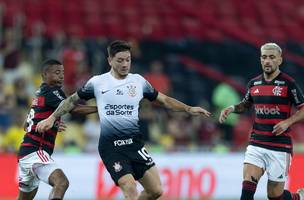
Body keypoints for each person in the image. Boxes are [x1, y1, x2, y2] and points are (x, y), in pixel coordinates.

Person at [36, 40, 211, 200]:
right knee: (130, 187)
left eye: (128, 59)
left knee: (156, 191)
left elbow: (164, 100)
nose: (125, 64)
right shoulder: (98, 82)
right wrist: (52, 117)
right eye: (120, 60)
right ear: (110, 60)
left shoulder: (138, 82)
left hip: (135, 145)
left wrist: (189, 108)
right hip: (111, 147)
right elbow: (71, 101)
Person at [219, 43, 304, 200]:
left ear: (279, 60)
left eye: (272, 57)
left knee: (274, 196)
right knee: (246, 193)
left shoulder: (288, 83)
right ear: (260, 59)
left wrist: (288, 122)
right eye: (264, 57)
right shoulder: (254, 84)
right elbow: (246, 104)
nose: (267, 61)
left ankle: (298, 196)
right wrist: (231, 108)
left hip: (280, 147)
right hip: (256, 145)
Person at [18, 59, 97, 200]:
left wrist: (52, 124)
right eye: (56, 72)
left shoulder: (40, 93)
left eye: (62, 72)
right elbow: (74, 109)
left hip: (25, 153)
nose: (61, 76)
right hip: (36, 151)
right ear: (44, 75)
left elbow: (26, 125)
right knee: (61, 183)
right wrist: (102, 109)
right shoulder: (52, 91)